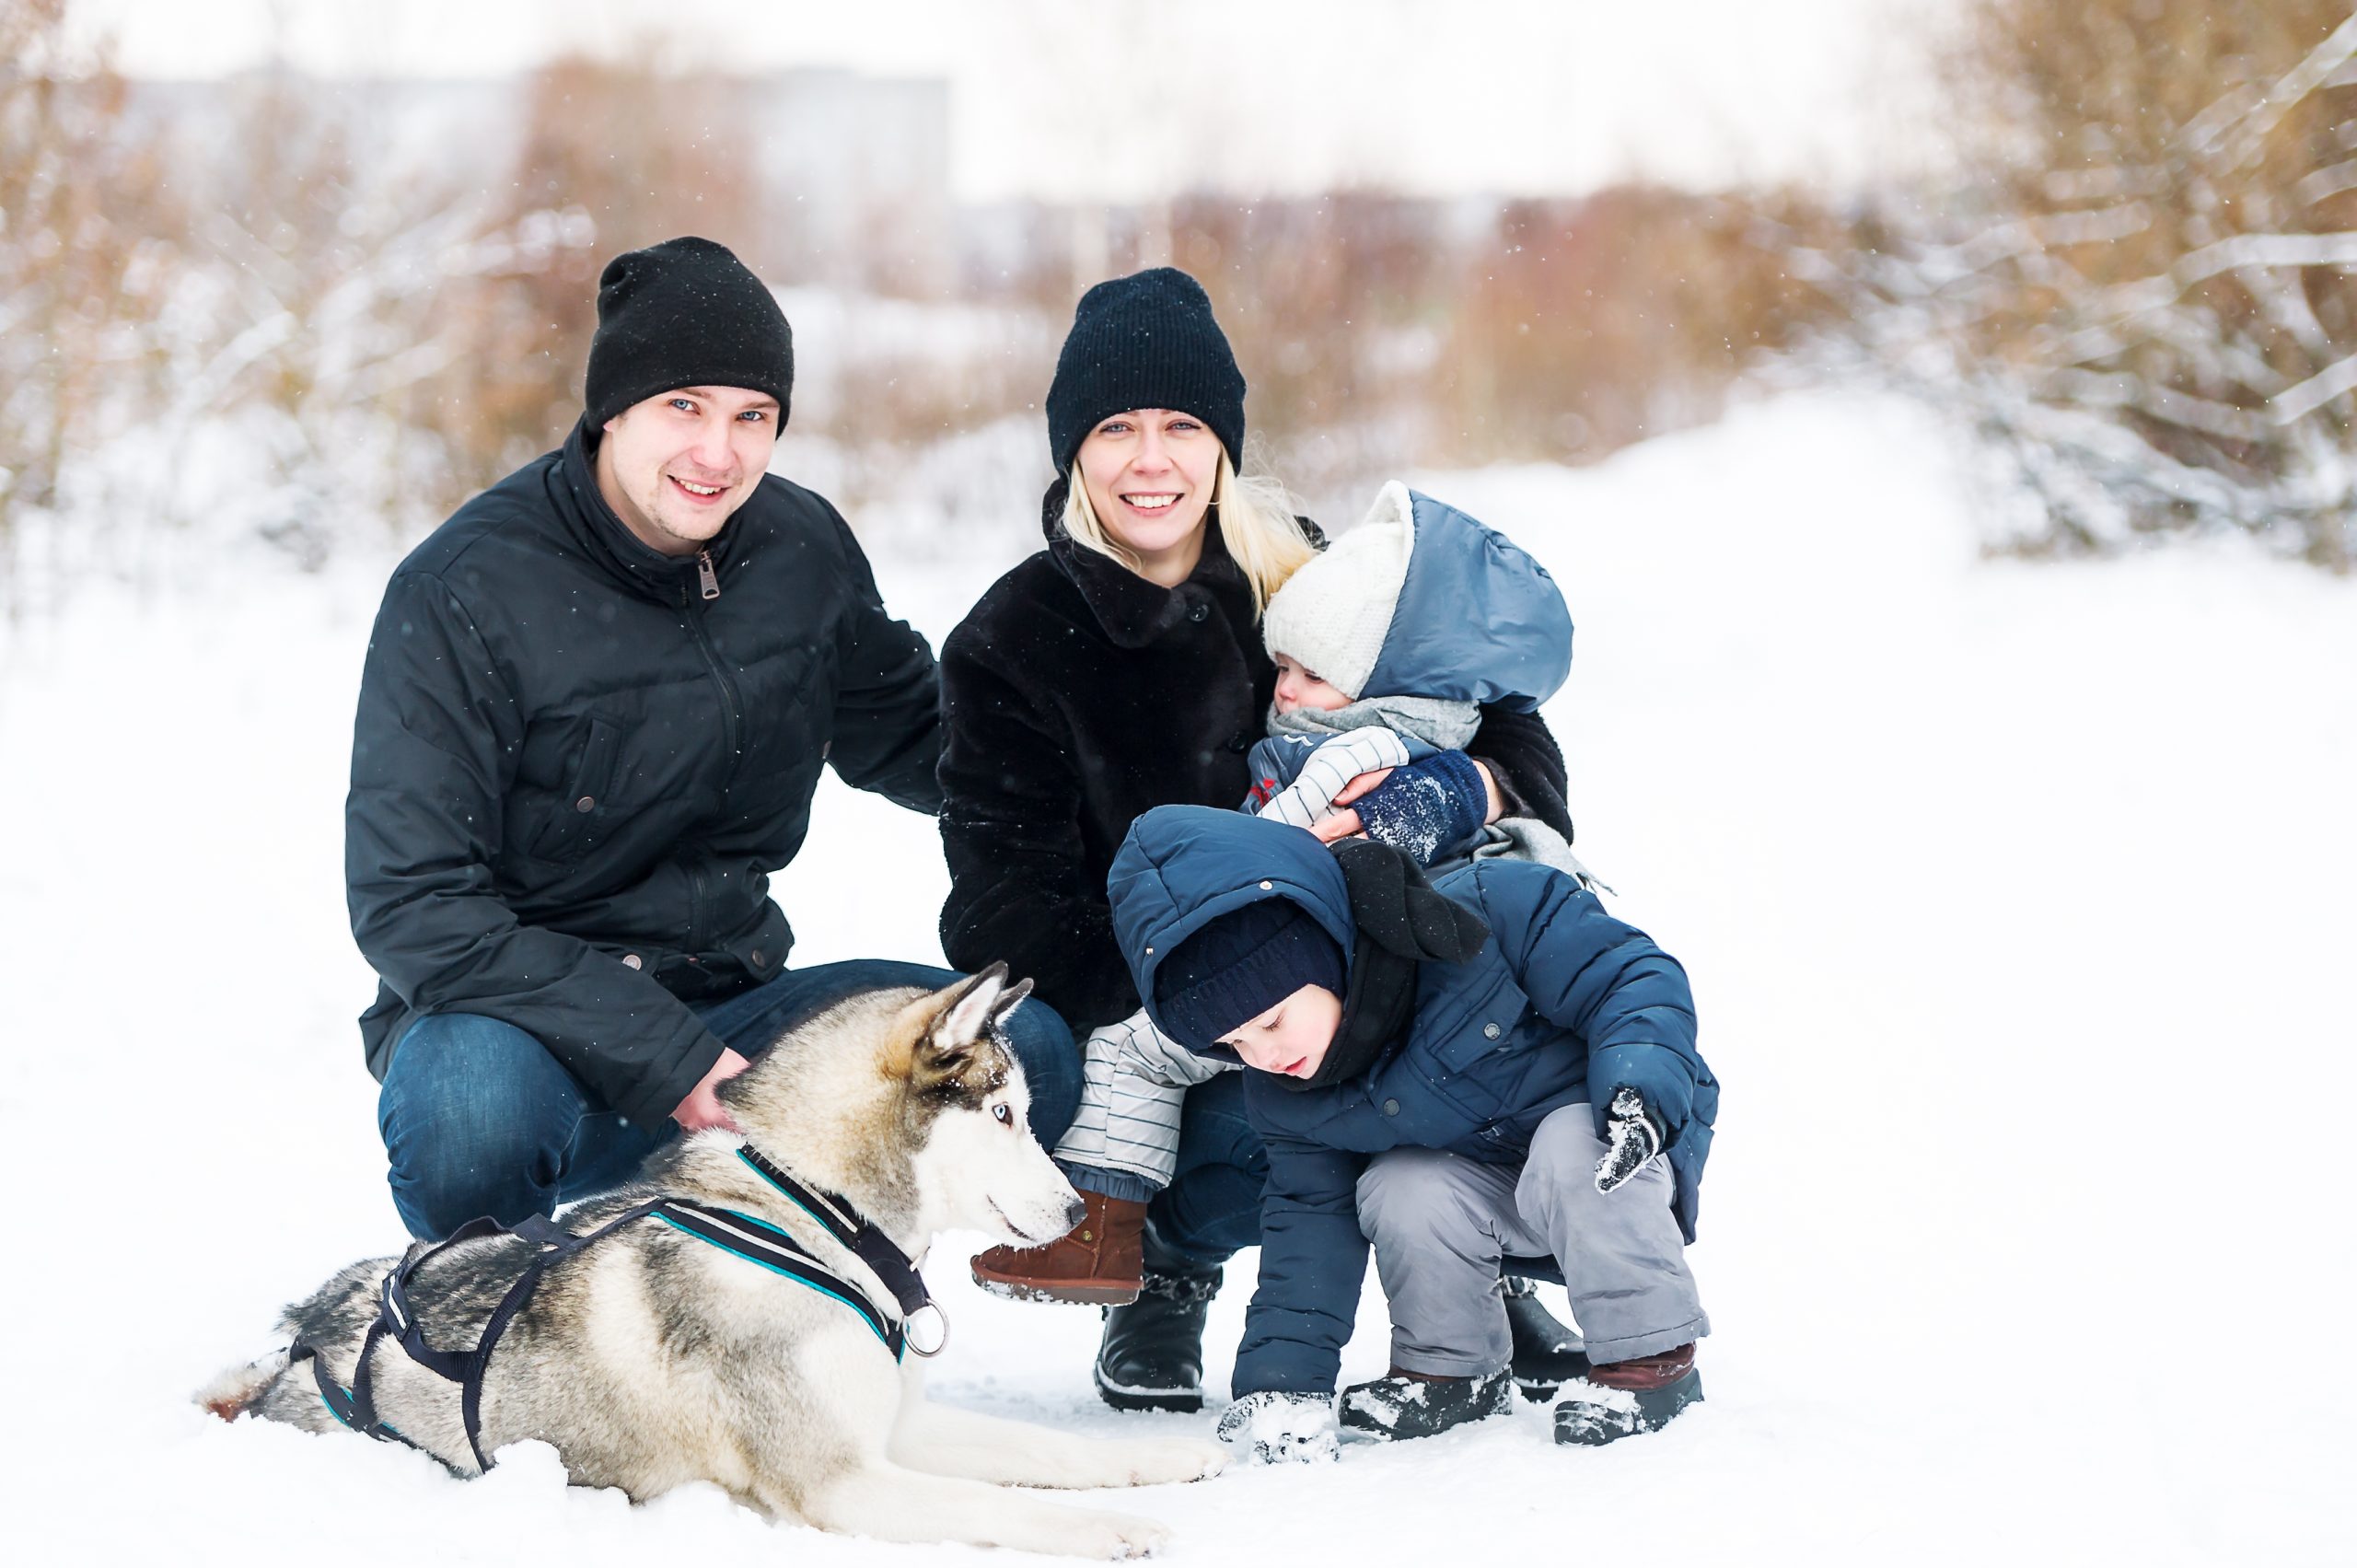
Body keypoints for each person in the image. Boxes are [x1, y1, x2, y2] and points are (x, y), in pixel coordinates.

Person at [937, 266, 1581, 1412]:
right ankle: (1167, 1272)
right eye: (1116, 429)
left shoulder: (1311, 572)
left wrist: (1459, 790)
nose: (1152, 460)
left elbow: (1504, 728)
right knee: (1257, 1118)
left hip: (1379, 947)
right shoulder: (1011, 638)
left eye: (1182, 426)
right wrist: (1213, 979)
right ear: (1071, 452)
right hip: (1159, 1000)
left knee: (1495, 1014)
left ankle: (1477, 1258)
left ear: (1223, 443)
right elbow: (1005, 909)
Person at [347, 236, 1077, 1242]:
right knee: (471, 1115)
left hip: (735, 1011)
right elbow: (414, 901)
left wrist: (1115, 751)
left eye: (752, 417)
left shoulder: (799, 551)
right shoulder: (464, 589)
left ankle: (811, 1284)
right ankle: (492, 1305)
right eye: (683, 407)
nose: (718, 453)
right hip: (517, 1024)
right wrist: (662, 1055)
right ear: (613, 409)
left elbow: (931, 741)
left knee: (1025, 1040)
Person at [1106, 804, 1716, 1457]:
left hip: (1616, 1136)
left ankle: (1647, 1363)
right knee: (1402, 1183)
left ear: (1322, 955)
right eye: (1234, 1042)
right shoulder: (1288, 1091)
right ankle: (1454, 1371)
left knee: (1572, 1145)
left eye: (1274, 1020)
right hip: (1482, 1179)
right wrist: (1283, 1386)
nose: (1263, 1053)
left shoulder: (1491, 909)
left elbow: (1630, 978)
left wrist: (1637, 1087)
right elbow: (1307, 1221)